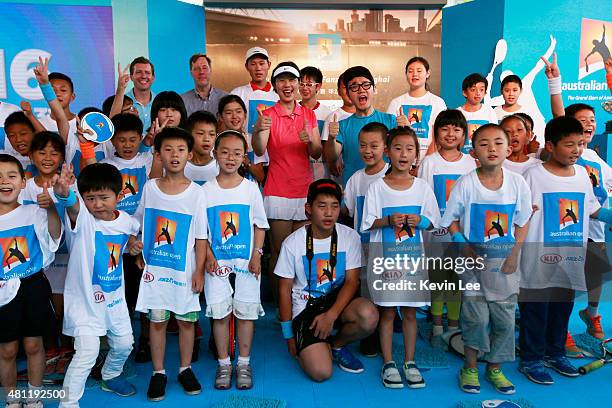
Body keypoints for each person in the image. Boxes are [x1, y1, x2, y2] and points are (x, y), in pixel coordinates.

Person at [518, 116, 612, 385]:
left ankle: (555, 353)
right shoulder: (533, 175)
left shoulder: (583, 174)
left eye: (580, 144)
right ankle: (531, 359)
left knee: (561, 309)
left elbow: (592, 209)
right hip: (537, 258)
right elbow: (520, 214)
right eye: (569, 145)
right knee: (536, 311)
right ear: (550, 145)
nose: (576, 151)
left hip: (571, 257)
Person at [441, 124, 532, 394]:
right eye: (484, 144)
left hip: (505, 264)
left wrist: (515, 254)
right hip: (472, 266)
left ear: (508, 147)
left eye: (498, 143)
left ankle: (495, 368)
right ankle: (470, 367)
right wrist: (464, 247)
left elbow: (523, 221)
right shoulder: (466, 183)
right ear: (473, 151)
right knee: (476, 319)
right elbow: (451, 222)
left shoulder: (517, 183)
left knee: (504, 320)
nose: (491, 148)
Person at [56, 162, 142, 408]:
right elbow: (71, 203)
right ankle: (68, 403)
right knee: (87, 353)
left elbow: (129, 236)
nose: (97, 204)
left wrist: (133, 247)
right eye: (90, 198)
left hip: (114, 300)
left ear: (119, 196)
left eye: (104, 197)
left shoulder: (125, 219)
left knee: (125, 344)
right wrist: (65, 191)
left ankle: (110, 375)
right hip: (84, 302)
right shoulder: (83, 219)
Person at [275, 179, 378, 381]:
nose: (329, 213)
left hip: (337, 303)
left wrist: (331, 316)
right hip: (306, 308)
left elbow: (352, 281)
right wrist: (289, 336)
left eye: (334, 206)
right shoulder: (292, 243)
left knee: (369, 315)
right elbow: (283, 291)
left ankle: (337, 345)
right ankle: (314, 342)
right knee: (321, 372)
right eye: (321, 206)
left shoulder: (350, 236)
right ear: (308, 209)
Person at [361, 127, 440, 389]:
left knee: (409, 314)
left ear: (417, 155)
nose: (403, 154)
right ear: (387, 152)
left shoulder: (422, 187)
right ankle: (388, 362)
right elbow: (365, 224)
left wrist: (421, 220)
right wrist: (386, 221)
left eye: (409, 149)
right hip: (385, 264)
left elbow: (434, 224)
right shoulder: (376, 187)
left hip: (413, 264)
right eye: (397, 148)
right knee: (386, 314)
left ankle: (409, 361)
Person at [134, 127, 207, 401]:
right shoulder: (150, 188)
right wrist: (136, 248)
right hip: (156, 271)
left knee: (187, 322)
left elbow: (201, 237)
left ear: (189, 154)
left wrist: (199, 270)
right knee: (157, 322)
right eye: (167, 149)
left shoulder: (197, 193)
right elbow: (140, 223)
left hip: (184, 271)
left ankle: (185, 369)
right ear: (157, 154)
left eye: (180, 150)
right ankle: (159, 372)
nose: (174, 155)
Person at [202, 130, 269, 390]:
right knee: (219, 313)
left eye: (237, 153)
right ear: (215, 153)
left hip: (246, 263)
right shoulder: (205, 191)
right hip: (216, 263)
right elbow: (201, 231)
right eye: (225, 152)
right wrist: (208, 256)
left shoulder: (251, 189)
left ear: (244, 157)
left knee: (245, 312)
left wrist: (257, 255)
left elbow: (259, 226)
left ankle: (243, 362)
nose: (231, 157)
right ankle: (223, 364)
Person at [252, 61, 322, 306]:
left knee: (302, 252)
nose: (287, 85)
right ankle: (282, 305)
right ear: (275, 85)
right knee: (280, 253)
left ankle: (300, 303)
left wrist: (310, 141)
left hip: (304, 192)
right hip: (278, 192)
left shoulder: (309, 114)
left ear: (298, 84)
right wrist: (258, 129)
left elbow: (315, 153)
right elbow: (259, 149)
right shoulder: (268, 115)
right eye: (281, 80)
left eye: (291, 80)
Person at [0, 154, 61, 408]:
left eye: (11, 176)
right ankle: (12, 399)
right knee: (7, 350)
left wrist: (51, 208)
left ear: (23, 181)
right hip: (3, 290)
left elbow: (55, 236)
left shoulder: (34, 211)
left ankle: (35, 397)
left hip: (33, 285)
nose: (4, 182)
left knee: (35, 344)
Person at [417, 109, 476, 345]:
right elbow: (423, 198)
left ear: (464, 135)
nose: (450, 134)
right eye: (445, 128)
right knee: (438, 279)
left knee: (457, 280)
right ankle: (437, 324)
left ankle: (453, 325)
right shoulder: (429, 163)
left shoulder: (471, 163)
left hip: (462, 235)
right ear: (436, 133)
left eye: (456, 129)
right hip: (436, 235)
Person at [18, 131, 73, 357]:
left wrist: (64, 195)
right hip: (37, 262)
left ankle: (68, 351)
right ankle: (51, 351)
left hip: (68, 256)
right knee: (46, 307)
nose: (48, 157)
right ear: (31, 156)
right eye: (42, 152)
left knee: (66, 306)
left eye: (54, 152)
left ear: (62, 158)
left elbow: (77, 215)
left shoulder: (69, 183)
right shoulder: (23, 187)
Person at [324, 66, 396, 185]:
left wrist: (406, 129)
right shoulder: (342, 125)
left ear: (374, 89)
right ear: (347, 93)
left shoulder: (390, 120)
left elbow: (401, 154)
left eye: (366, 84)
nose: (361, 90)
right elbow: (332, 158)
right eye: (354, 87)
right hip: (354, 191)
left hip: (384, 190)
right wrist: (331, 138)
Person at [387, 56, 447, 158]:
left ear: (427, 73)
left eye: (419, 71)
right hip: (402, 161)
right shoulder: (396, 103)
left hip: (429, 161)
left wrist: (425, 164)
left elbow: (439, 137)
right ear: (406, 74)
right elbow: (388, 136)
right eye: (410, 71)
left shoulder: (437, 102)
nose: (414, 74)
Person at [231, 47, 279, 138]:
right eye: (253, 64)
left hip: (275, 150)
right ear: (246, 67)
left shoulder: (279, 95)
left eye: (262, 63)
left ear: (269, 65)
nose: (258, 68)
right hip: (246, 150)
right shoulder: (237, 94)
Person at [218, 94, 265, 184]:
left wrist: (246, 162)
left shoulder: (253, 139)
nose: (234, 116)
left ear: (245, 115)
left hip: (249, 194)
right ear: (221, 117)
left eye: (238, 111)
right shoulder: (216, 142)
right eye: (229, 113)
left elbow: (260, 176)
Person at [321, 71, 355, 183]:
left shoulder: (369, 116)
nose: (349, 91)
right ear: (339, 91)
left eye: (353, 86)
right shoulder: (332, 117)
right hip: (341, 179)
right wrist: (333, 161)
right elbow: (326, 152)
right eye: (345, 87)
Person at [299, 66, 332, 181]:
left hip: (321, 172)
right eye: (301, 84)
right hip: (297, 170)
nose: (304, 88)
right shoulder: (293, 110)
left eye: (309, 84)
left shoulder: (328, 114)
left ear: (318, 86)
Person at [457, 73, 497, 154]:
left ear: (485, 93)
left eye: (481, 90)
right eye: (473, 89)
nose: (478, 93)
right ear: (464, 93)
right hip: (462, 159)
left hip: (484, 158)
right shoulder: (457, 113)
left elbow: (495, 136)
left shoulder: (489, 111)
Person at [184, 110, 219, 185]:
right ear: (189, 135)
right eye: (200, 133)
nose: (206, 139)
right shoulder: (180, 166)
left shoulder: (220, 167)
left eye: (212, 134)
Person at [127, 57, 156, 134]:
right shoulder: (121, 102)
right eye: (139, 72)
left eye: (147, 72)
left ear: (153, 78)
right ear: (131, 77)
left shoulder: (160, 102)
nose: (143, 76)